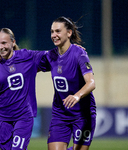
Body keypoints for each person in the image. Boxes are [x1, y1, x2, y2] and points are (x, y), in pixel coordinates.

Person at [39, 16, 96, 150]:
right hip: (60, 114)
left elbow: (91, 83)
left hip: (82, 115)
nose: (54, 35)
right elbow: (27, 70)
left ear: (69, 33)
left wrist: (77, 96)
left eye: (58, 31)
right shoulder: (50, 56)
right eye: (52, 31)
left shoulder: (79, 54)